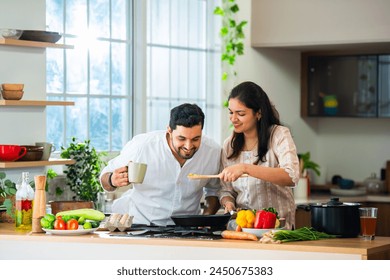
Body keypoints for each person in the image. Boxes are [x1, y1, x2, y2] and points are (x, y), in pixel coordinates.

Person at [100, 103, 221, 226]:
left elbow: (214, 191)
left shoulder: (212, 151)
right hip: (141, 226)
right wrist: (112, 180)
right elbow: (104, 178)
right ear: (169, 130)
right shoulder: (142, 145)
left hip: (188, 229)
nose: (188, 146)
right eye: (181, 138)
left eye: (196, 139)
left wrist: (205, 219)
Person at [219, 81, 300, 229]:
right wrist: (228, 202)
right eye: (231, 112)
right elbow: (226, 190)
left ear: (258, 113)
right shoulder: (229, 145)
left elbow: (291, 176)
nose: (233, 118)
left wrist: (245, 168)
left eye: (240, 113)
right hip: (243, 228)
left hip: (279, 229)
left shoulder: (279, 135)